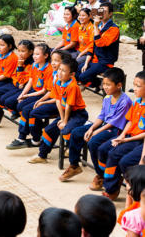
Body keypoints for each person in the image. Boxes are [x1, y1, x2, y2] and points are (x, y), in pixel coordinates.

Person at [61, 68, 132, 183]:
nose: (105, 87)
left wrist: (96, 132)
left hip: (116, 130)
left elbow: (113, 123)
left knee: (93, 142)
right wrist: (91, 128)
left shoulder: (125, 101)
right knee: (76, 132)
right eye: (103, 84)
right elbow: (101, 116)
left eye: (108, 85)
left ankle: (101, 174)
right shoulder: (107, 98)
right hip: (105, 125)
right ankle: (74, 166)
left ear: (119, 85)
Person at [6, 50, 69, 149]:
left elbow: (59, 99)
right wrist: (39, 100)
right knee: (25, 108)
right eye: (52, 60)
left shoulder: (64, 78)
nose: (53, 63)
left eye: (56, 61)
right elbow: (49, 91)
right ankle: (26, 137)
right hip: (52, 100)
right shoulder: (54, 74)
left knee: (31, 112)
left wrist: (42, 101)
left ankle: (33, 139)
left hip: (61, 105)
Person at [29, 57, 88, 164]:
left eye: (63, 71)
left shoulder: (73, 86)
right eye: (59, 69)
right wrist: (61, 119)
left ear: (72, 74)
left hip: (78, 114)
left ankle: (71, 150)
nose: (60, 72)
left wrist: (65, 121)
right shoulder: (58, 82)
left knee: (66, 130)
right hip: (65, 113)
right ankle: (42, 155)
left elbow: (69, 105)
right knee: (48, 130)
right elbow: (57, 100)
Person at [97, 71, 145, 200]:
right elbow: (130, 121)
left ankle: (134, 190)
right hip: (131, 137)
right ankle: (111, 188)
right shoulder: (138, 102)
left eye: (138, 86)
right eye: (134, 85)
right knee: (112, 153)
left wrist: (127, 139)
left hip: (140, 140)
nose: (134, 88)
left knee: (125, 161)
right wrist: (122, 136)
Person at [13, 44, 53, 148]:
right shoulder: (35, 65)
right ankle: (35, 128)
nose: (34, 56)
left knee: (27, 110)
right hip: (35, 92)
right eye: (34, 54)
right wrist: (23, 94)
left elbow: (44, 91)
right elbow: (30, 82)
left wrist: (27, 95)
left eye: (37, 54)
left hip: (44, 95)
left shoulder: (49, 69)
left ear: (45, 56)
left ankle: (25, 137)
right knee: (19, 106)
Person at [0, 40, 34, 127]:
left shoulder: (31, 65)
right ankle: (10, 112)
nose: (20, 54)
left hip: (26, 88)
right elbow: (14, 76)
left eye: (23, 51)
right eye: (19, 51)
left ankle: (23, 117)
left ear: (31, 52)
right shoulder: (20, 60)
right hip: (18, 85)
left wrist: (20, 67)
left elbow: (23, 81)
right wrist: (17, 83)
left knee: (8, 101)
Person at [77, 2, 120, 90]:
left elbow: (100, 43)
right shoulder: (99, 25)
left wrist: (95, 26)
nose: (101, 14)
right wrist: (86, 62)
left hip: (106, 62)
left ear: (110, 13)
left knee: (82, 77)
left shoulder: (113, 29)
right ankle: (97, 83)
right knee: (77, 71)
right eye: (100, 11)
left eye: (105, 12)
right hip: (95, 59)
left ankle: (99, 83)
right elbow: (92, 45)